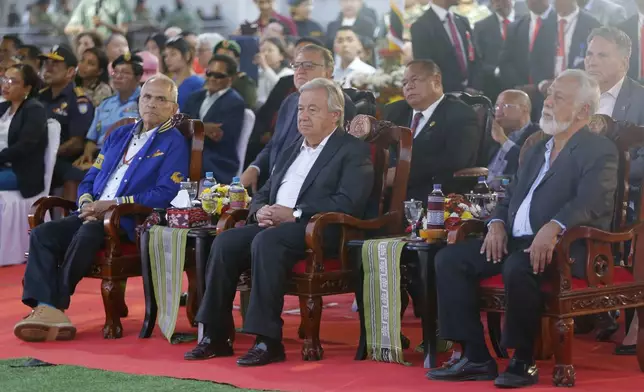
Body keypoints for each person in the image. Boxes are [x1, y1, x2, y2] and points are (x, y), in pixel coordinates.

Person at [427, 69, 618, 387]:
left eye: (559, 97)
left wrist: (554, 226)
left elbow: (591, 201)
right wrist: (497, 223)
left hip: (567, 247)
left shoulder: (597, 150)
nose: (548, 102)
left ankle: (522, 359)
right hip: (517, 240)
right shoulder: (538, 148)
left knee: (519, 265)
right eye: (550, 94)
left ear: (584, 109)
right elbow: (510, 195)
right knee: (450, 260)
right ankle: (475, 355)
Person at [183, 78, 374, 365]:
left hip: (318, 230)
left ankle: (267, 340)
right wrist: (260, 210)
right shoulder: (293, 146)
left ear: (335, 115)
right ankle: (215, 335)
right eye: (300, 109)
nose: (303, 116)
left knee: (266, 241)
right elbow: (265, 190)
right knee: (225, 241)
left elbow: (349, 202)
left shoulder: (351, 150)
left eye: (313, 109)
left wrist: (295, 213)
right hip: (275, 224)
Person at [14, 74, 189, 342]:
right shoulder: (118, 134)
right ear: (138, 101)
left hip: (127, 221)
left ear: (173, 108)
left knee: (89, 233)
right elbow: (90, 178)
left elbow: (167, 192)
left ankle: (54, 306)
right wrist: (85, 202)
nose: (152, 104)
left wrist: (114, 205)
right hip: (91, 213)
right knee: (43, 234)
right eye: (147, 97)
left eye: (161, 99)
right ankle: (46, 308)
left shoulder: (173, 142)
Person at [585, 26, 644, 353]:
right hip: (581, 195)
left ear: (624, 61)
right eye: (589, 53)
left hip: (632, 197)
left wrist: (610, 176)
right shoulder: (578, 95)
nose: (592, 61)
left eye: (602, 55)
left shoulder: (640, 100)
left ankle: (636, 317)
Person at [240, 44, 357, 192]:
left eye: (308, 66)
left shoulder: (339, 104)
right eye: (296, 65)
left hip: (308, 190)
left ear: (328, 72)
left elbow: (327, 158)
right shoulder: (290, 101)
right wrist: (254, 167)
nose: (300, 71)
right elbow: (274, 144)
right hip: (272, 184)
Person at [384, 60, 479, 200]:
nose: (409, 87)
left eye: (414, 80)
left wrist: (402, 173)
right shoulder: (394, 111)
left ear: (436, 80)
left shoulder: (460, 114)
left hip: (434, 194)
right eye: (404, 83)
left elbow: (456, 160)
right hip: (387, 193)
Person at [37, 44, 95, 200]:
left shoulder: (79, 101)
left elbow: (77, 143)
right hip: (34, 156)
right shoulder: (38, 97)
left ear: (70, 72)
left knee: (74, 174)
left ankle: (66, 220)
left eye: (55, 64)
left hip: (60, 159)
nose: (47, 68)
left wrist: (48, 154)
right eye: (46, 63)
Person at [73, 53, 143, 175]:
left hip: (126, 157)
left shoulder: (144, 103)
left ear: (138, 78)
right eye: (115, 72)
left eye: (125, 73)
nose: (118, 77)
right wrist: (87, 155)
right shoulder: (105, 104)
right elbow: (92, 139)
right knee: (74, 172)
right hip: (100, 155)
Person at [184, 54, 245, 183]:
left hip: (217, 161)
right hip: (190, 152)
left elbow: (219, 136)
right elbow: (179, 124)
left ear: (231, 78)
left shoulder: (234, 102)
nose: (212, 78)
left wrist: (191, 127)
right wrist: (202, 128)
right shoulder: (195, 97)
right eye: (209, 73)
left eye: (219, 75)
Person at [410, 0, 481, 93]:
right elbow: (426, 69)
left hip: (473, 93)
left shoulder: (462, 21)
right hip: (446, 96)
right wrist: (460, 90)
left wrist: (474, 86)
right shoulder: (421, 26)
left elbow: (474, 57)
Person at [0, 64, 48, 196]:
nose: (6, 85)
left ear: (27, 88)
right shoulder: (3, 107)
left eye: (12, 82)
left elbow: (25, 146)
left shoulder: (34, 109)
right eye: (4, 80)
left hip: (21, 173)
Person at [486, 90, 540, 188]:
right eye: (497, 106)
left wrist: (503, 140)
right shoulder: (491, 133)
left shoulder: (538, 134)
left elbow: (529, 162)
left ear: (525, 109)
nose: (498, 111)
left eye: (505, 106)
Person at [213, 40, 258, 108]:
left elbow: (248, 108)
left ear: (237, 60)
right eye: (219, 57)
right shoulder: (209, 80)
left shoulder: (244, 82)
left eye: (227, 56)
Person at [164, 36, 204, 112]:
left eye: (173, 54)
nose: (167, 59)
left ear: (187, 55)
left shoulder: (198, 84)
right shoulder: (169, 82)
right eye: (166, 55)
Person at [64, 0, 133, 40]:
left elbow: (123, 31)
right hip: (90, 46)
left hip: (110, 45)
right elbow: (67, 29)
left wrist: (103, 23)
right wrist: (81, 29)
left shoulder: (119, 2)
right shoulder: (85, 3)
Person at [256, 37, 294, 108]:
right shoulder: (259, 72)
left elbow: (280, 89)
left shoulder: (288, 73)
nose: (265, 54)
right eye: (262, 50)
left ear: (281, 56)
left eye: (270, 50)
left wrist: (265, 67)